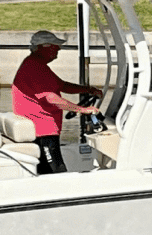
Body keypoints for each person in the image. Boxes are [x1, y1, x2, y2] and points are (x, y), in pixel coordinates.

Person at [11, 30, 102, 174]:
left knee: (47, 170)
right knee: (56, 171)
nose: (59, 49)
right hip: (42, 130)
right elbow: (51, 98)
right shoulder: (34, 67)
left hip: (44, 128)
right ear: (44, 47)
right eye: (56, 46)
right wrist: (82, 110)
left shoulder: (38, 65)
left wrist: (88, 89)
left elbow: (62, 86)